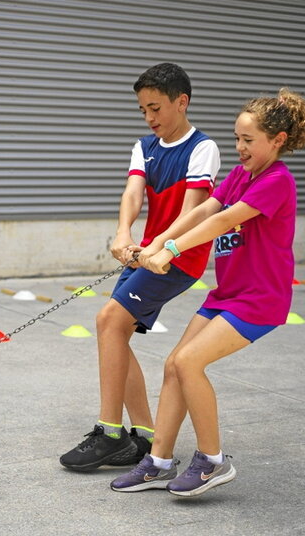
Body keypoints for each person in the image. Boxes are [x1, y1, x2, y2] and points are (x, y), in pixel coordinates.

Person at [110, 88, 305, 496]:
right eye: (236, 138)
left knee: (187, 363)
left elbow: (225, 221)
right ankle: (159, 461)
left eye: (248, 140)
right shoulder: (241, 174)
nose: (239, 148)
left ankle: (212, 461)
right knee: (173, 366)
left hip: (261, 299)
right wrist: (156, 243)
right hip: (228, 293)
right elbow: (204, 210)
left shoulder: (277, 181)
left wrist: (170, 250)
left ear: (278, 141)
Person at [60, 63, 221, 470]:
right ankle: (145, 436)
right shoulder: (144, 146)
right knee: (115, 330)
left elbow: (194, 211)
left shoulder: (203, 148)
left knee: (108, 321)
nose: (149, 118)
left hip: (178, 258)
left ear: (181, 102)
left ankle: (110, 433)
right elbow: (133, 192)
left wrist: (164, 249)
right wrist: (122, 233)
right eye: (143, 110)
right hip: (147, 253)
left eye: (156, 108)